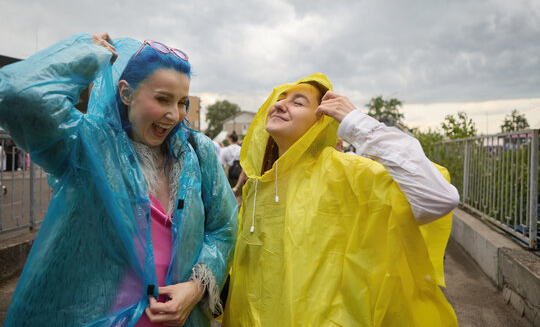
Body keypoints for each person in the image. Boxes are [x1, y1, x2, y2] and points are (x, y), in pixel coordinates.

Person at [0, 32, 238, 327]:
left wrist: (196, 287)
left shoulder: (196, 152)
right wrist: (87, 53)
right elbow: (16, 94)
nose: (174, 114)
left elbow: (223, 228)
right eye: (162, 98)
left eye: (182, 102)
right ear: (126, 93)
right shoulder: (89, 145)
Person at [222, 73, 460, 326]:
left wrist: (357, 123)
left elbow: (437, 198)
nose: (280, 104)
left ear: (321, 121)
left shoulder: (345, 173)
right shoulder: (259, 187)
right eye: (280, 99)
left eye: (298, 102)